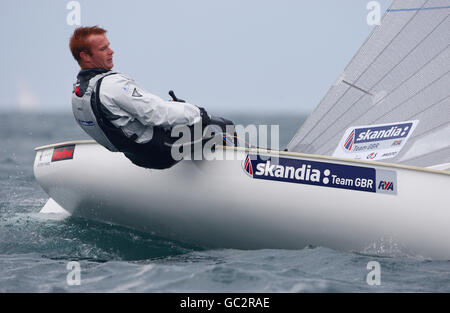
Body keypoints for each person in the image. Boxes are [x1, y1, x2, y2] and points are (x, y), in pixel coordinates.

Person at [69, 26, 233, 169]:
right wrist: (198, 112)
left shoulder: (80, 92)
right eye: (103, 49)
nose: (111, 52)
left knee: (187, 125)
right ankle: (231, 181)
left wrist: (175, 109)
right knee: (221, 126)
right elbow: (156, 113)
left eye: (109, 46)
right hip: (162, 151)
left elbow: (125, 119)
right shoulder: (112, 85)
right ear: (86, 56)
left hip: (136, 156)